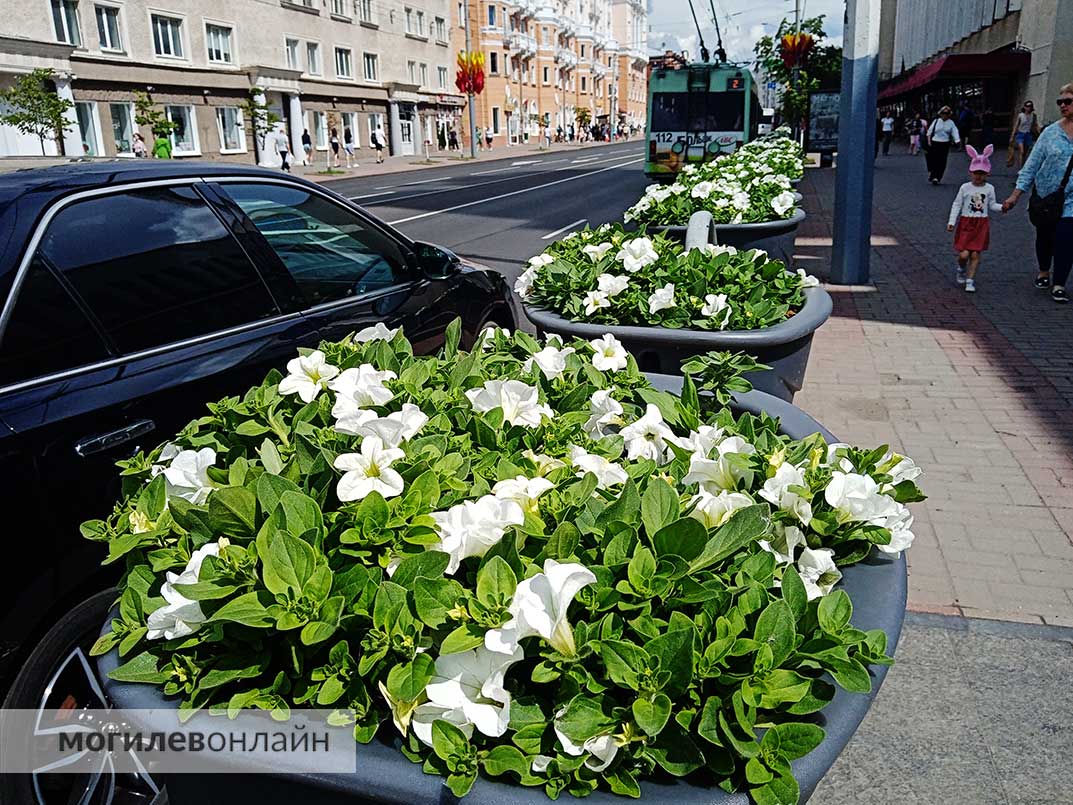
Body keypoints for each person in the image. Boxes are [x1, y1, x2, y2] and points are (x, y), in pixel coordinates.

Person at [1003, 83, 1073, 303]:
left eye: (1068, 101)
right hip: (1046, 196)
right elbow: (1031, 165)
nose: (1063, 105)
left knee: (1066, 238)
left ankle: (1059, 283)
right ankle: (1044, 270)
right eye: (1060, 102)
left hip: (1071, 199)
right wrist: (1015, 195)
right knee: (1045, 237)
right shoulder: (1050, 133)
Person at [946, 145, 1003, 293]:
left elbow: (991, 204)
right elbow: (957, 204)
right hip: (966, 222)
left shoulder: (989, 188)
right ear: (971, 172)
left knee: (976, 254)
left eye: (982, 173)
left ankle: (970, 281)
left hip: (981, 224)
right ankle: (961, 267)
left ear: (987, 174)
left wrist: (1002, 207)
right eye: (976, 173)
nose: (978, 176)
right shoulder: (965, 188)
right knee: (964, 254)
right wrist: (952, 221)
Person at [926, 106, 961, 184]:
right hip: (935, 142)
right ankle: (933, 175)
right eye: (943, 113)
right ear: (940, 114)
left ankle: (938, 177)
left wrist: (957, 140)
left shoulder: (951, 123)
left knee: (942, 161)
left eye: (947, 113)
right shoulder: (936, 121)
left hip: (945, 143)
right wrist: (929, 141)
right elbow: (930, 131)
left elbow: (954, 131)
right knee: (934, 159)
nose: (945, 115)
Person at [1011, 100, 1039, 170]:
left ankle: (1023, 165)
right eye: (1027, 106)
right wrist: (1012, 136)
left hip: (1028, 135)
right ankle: (1021, 169)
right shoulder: (1021, 115)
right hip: (1020, 134)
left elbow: (1036, 125)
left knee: (1025, 153)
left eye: (1030, 106)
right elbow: (1016, 126)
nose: (1028, 108)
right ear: (1024, 107)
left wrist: (1040, 132)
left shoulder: (1033, 115)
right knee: (1022, 151)